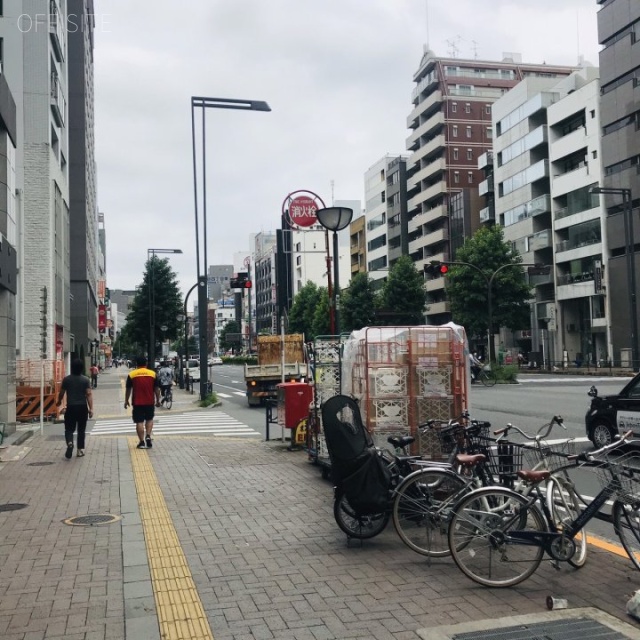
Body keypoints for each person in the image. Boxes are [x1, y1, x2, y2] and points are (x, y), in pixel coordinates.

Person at [57, 359, 93, 459]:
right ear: (82, 368)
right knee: (81, 430)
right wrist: (91, 408)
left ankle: (69, 443)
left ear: (72, 368)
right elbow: (89, 394)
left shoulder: (66, 379)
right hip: (82, 407)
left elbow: (62, 393)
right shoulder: (85, 380)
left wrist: (59, 401)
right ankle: (80, 450)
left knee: (69, 429)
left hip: (71, 407)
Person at [124, 355, 161, 449]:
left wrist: (126, 400)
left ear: (136, 364)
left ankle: (141, 442)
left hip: (137, 402)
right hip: (150, 401)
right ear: (146, 363)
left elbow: (128, 389)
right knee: (149, 419)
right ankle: (148, 436)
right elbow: (157, 389)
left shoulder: (132, 374)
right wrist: (158, 400)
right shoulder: (152, 374)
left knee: (139, 421)